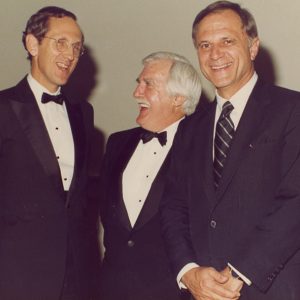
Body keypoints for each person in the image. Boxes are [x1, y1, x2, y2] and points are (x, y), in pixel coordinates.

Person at [160, 1, 300, 300]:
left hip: (269, 290)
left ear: (252, 47)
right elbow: (173, 206)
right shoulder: (189, 128)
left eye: (227, 41)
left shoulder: (292, 110)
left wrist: (239, 274)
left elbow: (295, 202)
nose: (215, 54)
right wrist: (188, 271)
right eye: (205, 45)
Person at [0, 6, 100, 300]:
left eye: (76, 47)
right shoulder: (3, 108)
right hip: (14, 276)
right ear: (33, 44)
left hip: (74, 277)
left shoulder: (83, 112)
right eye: (60, 43)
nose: (69, 55)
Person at [98, 51, 202, 300]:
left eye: (148, 84)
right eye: (138, 83)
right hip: (110, 290)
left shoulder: (201, 149)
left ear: (178, 98)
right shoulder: (116, 143)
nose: (136, 93)